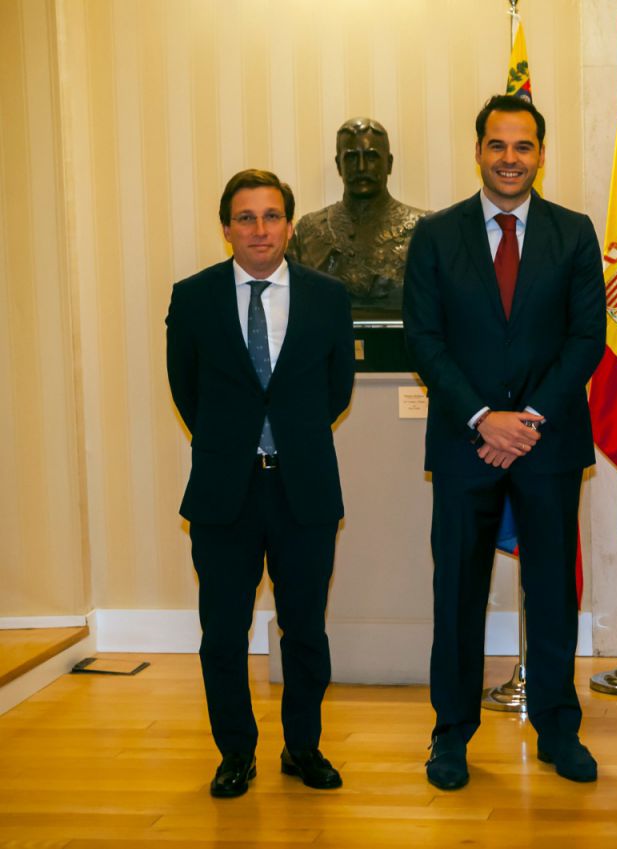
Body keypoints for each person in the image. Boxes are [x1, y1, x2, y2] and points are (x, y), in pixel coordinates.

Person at [403, 94, 606, 789]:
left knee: (552, 592)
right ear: (478, 151)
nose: (510, 158)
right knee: (457, 594)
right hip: (465, 445)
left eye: (523, 146)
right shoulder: (436, 235)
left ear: (541, 154)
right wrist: (482, 417)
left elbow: (587, 338)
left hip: (549, 443)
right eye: (498, 145)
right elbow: (424, 339)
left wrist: (527, 420)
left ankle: (558, 729)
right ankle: (451, 736)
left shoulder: (574, 233)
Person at [165, 169, 355, 798]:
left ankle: (303, 747)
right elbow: (186, 391)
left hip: (305, 490)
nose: (259, 229)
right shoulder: (193, 298)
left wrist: (288, 438)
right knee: (223, 633)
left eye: (272, 216)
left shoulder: (328, 297)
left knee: (305, 631)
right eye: (245, 218)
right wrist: (235, 443)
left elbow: (336, 391)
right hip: (225, 492)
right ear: (226, 229)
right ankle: (235, 754)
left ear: (289, 226)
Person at [289, 117, 427, 314]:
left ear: (389, 163)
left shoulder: (424, 230)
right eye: (351, 157)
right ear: (339, 165)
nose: (361, 167)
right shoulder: (307, 232)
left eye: (371, 157)